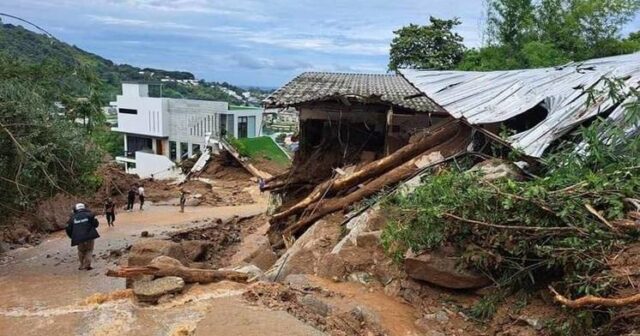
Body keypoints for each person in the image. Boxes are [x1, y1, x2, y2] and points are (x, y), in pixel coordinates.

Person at [65, 203, 100, 271]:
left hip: (78, 238)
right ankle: (87, 265)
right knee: (89, 250)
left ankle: (81, 265)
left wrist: (72, 237)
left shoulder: (72, 218)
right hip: (89, 236)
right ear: (84, 208)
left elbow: (68, 229)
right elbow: (96, 224)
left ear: (75, 209)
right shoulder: (90, 214)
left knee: (81, 250)